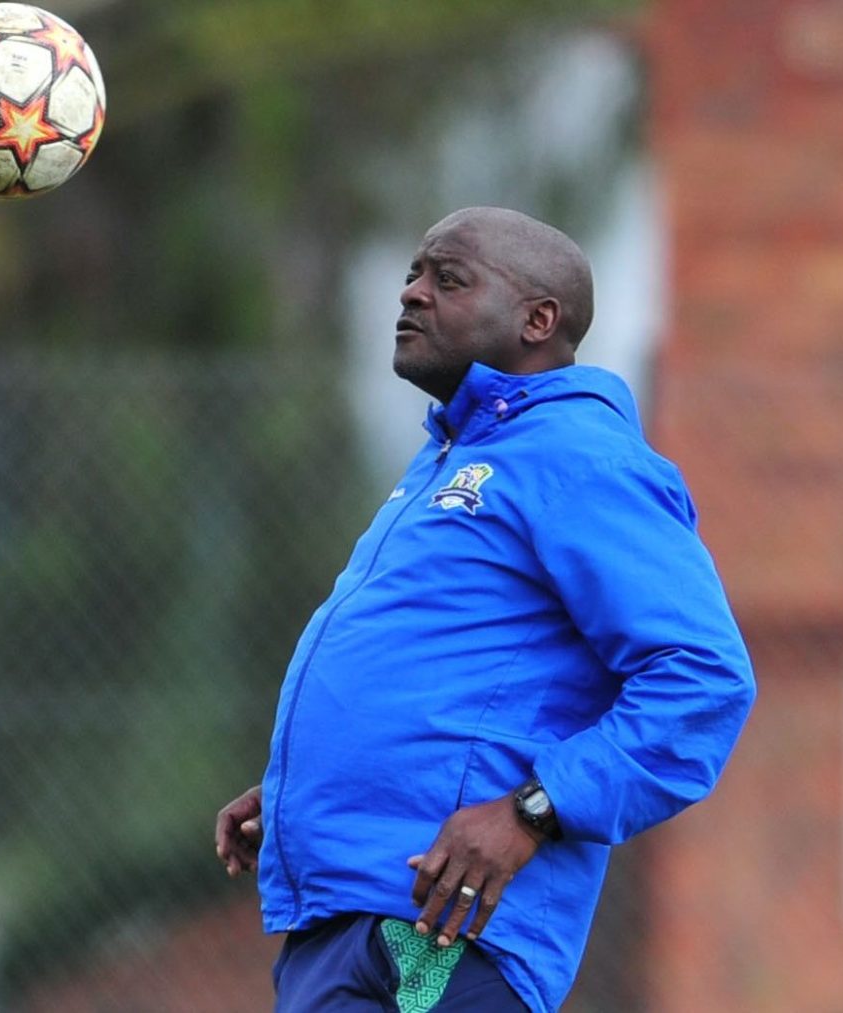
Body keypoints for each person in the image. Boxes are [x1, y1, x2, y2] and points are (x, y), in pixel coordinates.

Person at [214, 207, 754, 1012]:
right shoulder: (450, 458)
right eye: (412, 274)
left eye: (448, 278)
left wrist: (532, 812)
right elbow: (457, 676)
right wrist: (308, 788)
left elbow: (704, 679)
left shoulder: (578, 457)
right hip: (348, 920)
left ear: (540, 320)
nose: (412, 295)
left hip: (447, 931)